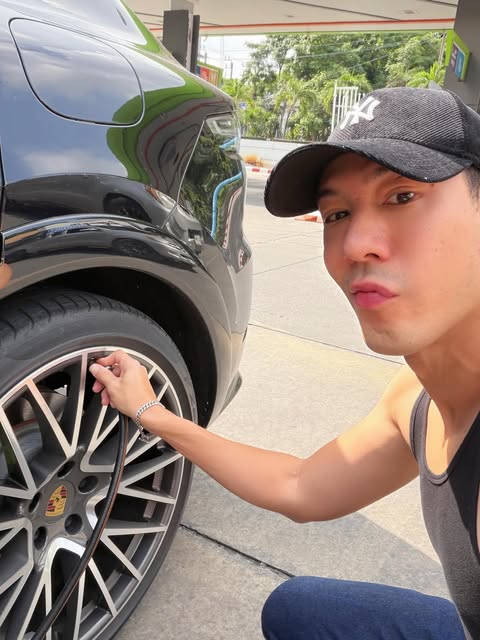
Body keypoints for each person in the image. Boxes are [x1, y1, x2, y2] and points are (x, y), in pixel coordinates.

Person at [89, 86, 480, 639]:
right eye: (337, 213)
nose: (355, 245)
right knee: (297, 608)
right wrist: (150, 412)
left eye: (402, 196)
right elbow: (300, 486)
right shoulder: (414, 396)